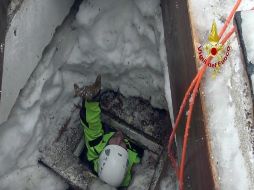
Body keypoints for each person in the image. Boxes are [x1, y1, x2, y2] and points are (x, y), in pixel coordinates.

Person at [74, 75, 140, 188]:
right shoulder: (133, 165)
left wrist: (92, 100)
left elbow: (92, 125)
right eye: (122, 144)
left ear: (104, 150)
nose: (120, 138)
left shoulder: (97, 146)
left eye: (115, 142)